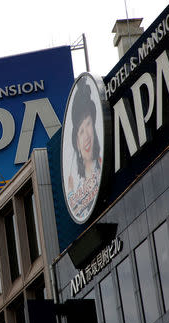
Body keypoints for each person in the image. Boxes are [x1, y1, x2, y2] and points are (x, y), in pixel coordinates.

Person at [67, 79, 102, 221]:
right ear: (77, 142)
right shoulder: (76, 187)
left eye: (88, 124)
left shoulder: (102, 167)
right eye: (81, 131)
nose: (86, 135)